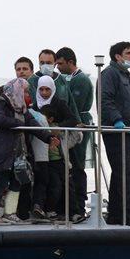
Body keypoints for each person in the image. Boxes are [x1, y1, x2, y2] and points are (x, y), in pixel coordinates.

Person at [0, 79, 54, 223]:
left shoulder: (22, 108)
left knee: (17, 182)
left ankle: (10, 212)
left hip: (17, 151)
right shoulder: (0, 103)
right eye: (25, 91)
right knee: (2, 182)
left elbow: (33, 124)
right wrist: (19, 124)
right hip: (1, 150)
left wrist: (48, 137)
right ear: (17, 91)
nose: (27, 95)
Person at [101, 41, 130, 225]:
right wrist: (117, 120)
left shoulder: (125, 75)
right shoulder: (110, 74)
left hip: (129, 133)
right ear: (118, 56)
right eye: (128, 53)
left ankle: (121, 215)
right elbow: (105, 99)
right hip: (116, 132)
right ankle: (124, 216)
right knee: (123, 173)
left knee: (124, 174)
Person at [29, 76, 80, 220]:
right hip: (41, 154)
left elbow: (72, 119)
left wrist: (58, 127)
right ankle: (44, 209)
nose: (44, 93)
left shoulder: (60, 103)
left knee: (65, 184)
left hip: (58, 152)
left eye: (47, 89)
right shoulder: (34, 107)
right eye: (41, 89)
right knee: (46, 183)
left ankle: (71, 212)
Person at [56, 47, 93, 220]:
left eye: (60, 64)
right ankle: (69, 204)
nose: (58, 67)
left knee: (77, 164)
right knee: (68, 164)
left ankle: (80, 204)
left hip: (79, 124)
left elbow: (74, 106)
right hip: (69, 125)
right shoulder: (67, 79)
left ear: (70, 62)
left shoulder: (81, 80)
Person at [27, 49, 79, 121]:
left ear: (55, 63)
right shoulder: (32, 81)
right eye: (42, 63)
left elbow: (71, 103)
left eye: (48, 63)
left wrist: (77, 121)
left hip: (62, 123)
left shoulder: (61, 79)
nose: (45, 65)